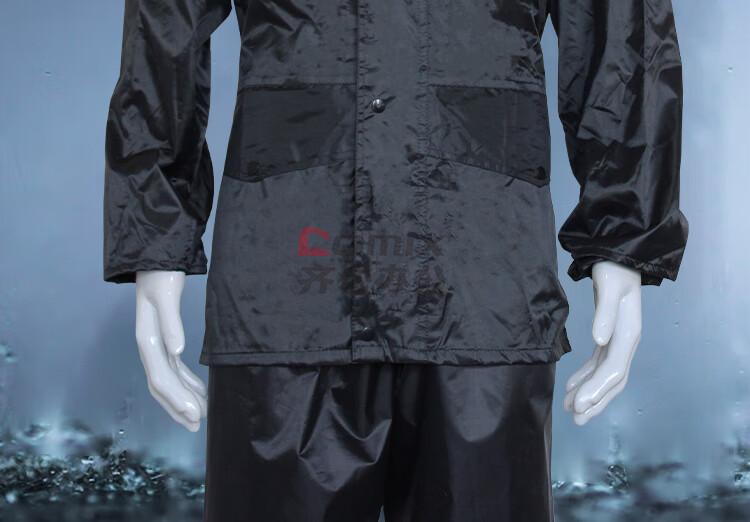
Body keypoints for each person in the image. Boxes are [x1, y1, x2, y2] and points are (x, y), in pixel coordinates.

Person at [103, 1, 688, 520]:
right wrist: (155, 235)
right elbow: (161, 31)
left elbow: (621, 32)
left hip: (480, 274)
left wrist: (626, 231)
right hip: (289, 275)